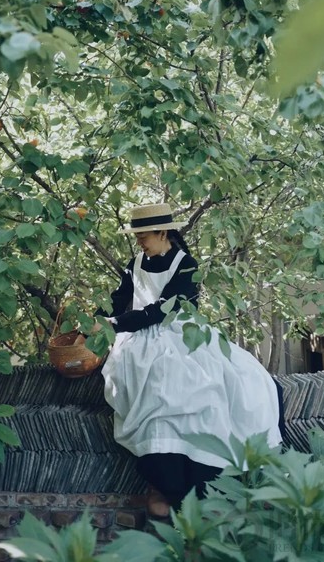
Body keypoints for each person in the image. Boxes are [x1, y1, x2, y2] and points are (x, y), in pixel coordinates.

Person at [94, 203, 283, 518]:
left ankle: (202, 483)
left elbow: (161, 311)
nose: (139, 242)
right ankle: (165, 483)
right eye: (137, 235)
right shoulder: (135, 262)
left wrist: (114, 324)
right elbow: (118, 299)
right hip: (140, 339)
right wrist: (98, 320)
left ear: (163, 232)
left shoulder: (186, 264)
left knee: (218, 384)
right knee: (154, 391)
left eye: (144, 235)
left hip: (180, 332)